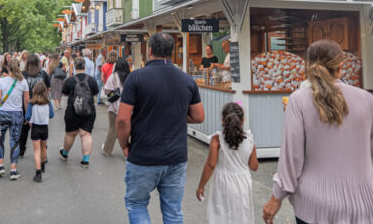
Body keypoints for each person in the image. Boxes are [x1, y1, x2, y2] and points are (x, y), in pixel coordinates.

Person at [262, 40, 373, 224]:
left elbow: (292, 159)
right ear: (340, 67)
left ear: (307, 66)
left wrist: (276, 197)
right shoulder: (366, 99)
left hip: (316, 206)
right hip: (365, 203)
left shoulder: (298, 101)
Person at [116, 32, 204, 224]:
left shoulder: (136, 78)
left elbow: (123, 120)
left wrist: (124, 144)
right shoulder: (187, 80)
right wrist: (177, 115)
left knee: (137, 204)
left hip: (143, 155)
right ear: (172, 53)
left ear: (149, 51)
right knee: (173, 212)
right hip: (176, 157)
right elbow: (199, 116)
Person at [196, 102, 258, 223]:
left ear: (223, 120)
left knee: (221, 214)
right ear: (243, 120)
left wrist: (201, 186)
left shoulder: (217, 139)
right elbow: (254, 166)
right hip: (243, 183)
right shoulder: (249, 140)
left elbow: (210, 165)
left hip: (222, 183)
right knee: (241, 215)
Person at [0, 59, 29, 180]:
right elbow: (26, 101)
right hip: (17, 114)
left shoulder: (1, 81)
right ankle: (13, 170)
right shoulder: (23, 82)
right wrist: (27, 115)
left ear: (8, 68)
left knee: (0, 139)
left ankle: (0, 165)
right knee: (14, 141)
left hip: (2, 113)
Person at [59, 57, 99, 167]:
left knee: (70, 134)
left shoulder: (70, 80)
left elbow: (64, 94)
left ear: (75, 67)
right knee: (86, 134)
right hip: (89, 110)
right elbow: (95, 94)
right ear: (84, 66)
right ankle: (85, 159)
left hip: (72, 111)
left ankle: (65, 153)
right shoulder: (91, 80)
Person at [19, 55, 51, 157]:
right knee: (41, 128)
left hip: (26, 103)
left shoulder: (23, 74)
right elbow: (48, 88)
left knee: (24, 129)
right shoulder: (43, 74)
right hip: (41, 104)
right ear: (38, 63)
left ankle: (21, 150)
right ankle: (43, 151)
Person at [25, 82, 55, 182]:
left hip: (35, 128)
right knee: (43, 148)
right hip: (45, 128)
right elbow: (51, 115)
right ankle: (42, 165)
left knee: (36, 150)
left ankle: (38, 174)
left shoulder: (31, 103)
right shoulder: (48, 103)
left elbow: (27, 117)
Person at [102, 58, 130, 156]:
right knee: (128, 129)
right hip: (128, 107)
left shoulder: (113, 76)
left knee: (112, 128)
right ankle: (129, 152)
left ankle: (107, 150)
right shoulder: (130, 77)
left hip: (114, 106)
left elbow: (106, 89)